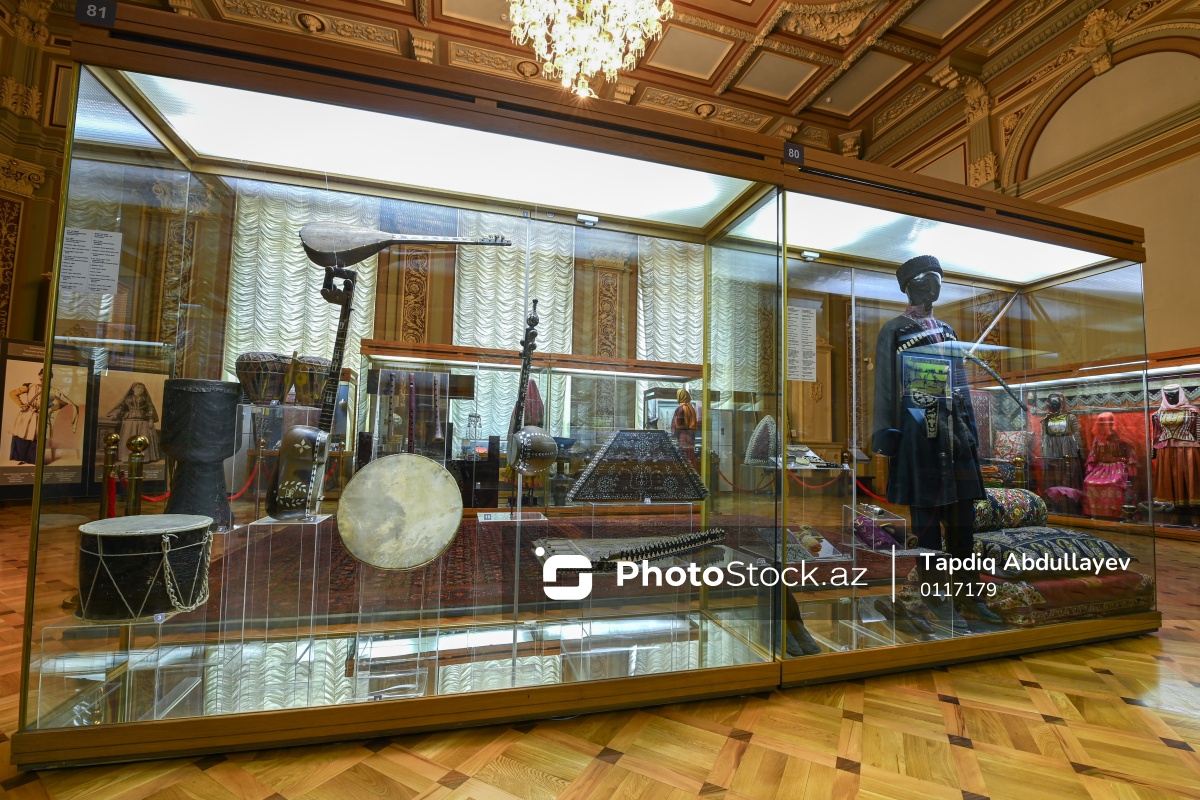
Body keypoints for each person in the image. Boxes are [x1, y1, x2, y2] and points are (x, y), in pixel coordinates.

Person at [871, 254, 1001, 626]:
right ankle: (935, 599)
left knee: (963, 527)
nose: (934, 286)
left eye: (938, 279)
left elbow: (961, 384)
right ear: (910, 287)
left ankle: (968, 598)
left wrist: (971, 432)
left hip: (955, 438)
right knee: (926, 529)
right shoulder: (893, 330)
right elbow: (885, 386)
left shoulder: (947, 330)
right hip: (919, 438)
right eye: (927, 279)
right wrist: (887, 435)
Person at [107, 382, 162, 462]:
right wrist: (115, 414)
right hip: (130, 422)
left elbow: (150, 409)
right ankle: (127, 457)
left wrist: (150, 419)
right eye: (138, 388)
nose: (140, 389)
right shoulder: (127, 399)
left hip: (143, 421)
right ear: (133, 389)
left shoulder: (146, 399)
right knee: (129, 437)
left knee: (143, 438)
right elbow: (121, 407)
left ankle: (144, 458)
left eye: (142, 388)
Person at [671, 387, 698, 464]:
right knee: (690, 458)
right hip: (690, 437)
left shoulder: (680, 409)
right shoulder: (691, 408)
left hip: (683, 437)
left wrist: (674, 430)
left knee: (684, 459)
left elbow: (678, 426)